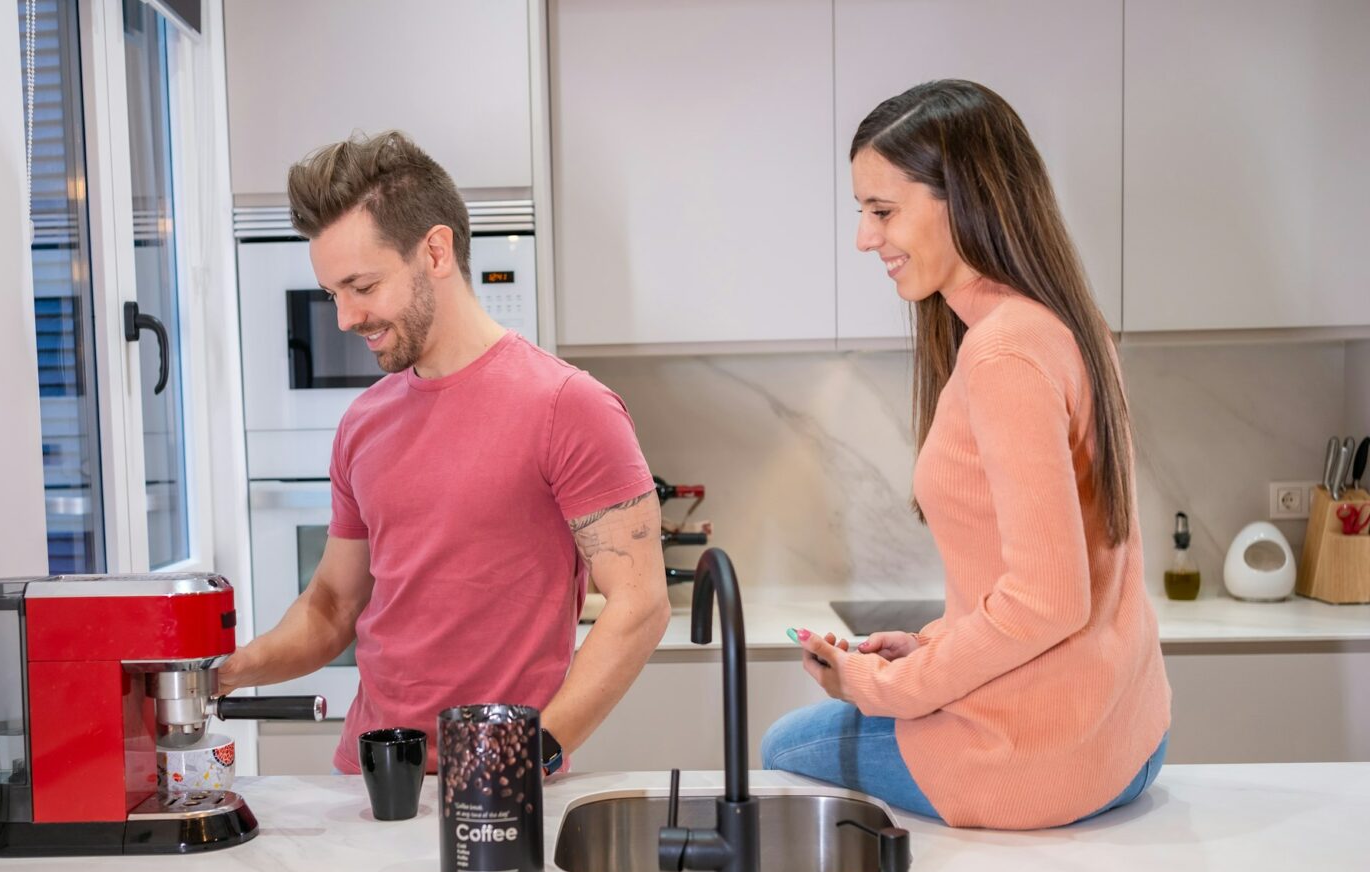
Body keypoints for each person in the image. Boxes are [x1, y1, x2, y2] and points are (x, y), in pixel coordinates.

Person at [767, 80, 1171, 829]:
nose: (864, 238)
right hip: (1128, 735)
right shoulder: (1062, 323)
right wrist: (929, 643)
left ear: (964, 197)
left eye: (882, 211)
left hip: (1041, 756)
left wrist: (887, 686)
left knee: (781, 748)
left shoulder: (1002, 354)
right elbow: (1050, 571)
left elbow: (1048, 600)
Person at [217, 131, 671, 774]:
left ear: (435, 251)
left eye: (362, 286)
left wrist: (527, 754)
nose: (345, 318)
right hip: (370, 776)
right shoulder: (362, 424)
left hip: (500, 782)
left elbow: (641, 604)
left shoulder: (569, 405)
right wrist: (227, 671)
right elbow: (333, 606)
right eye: (332, 294)